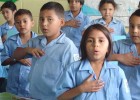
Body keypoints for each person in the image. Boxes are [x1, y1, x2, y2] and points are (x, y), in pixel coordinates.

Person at [12, 2, 79, 100]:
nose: (44, 23)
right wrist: (28, 50)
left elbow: (74, 81)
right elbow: (15, 55)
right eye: (41, 19)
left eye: (49, 19)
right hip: (33, 95)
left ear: (61, 22)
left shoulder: (68, 47)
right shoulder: (36, 41)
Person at [56, 24, 132, 100]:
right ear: (84, 46)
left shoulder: (117, 72)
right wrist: (81, 89)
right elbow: (60, 97)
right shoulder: (72, 69)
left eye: (101, 41)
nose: (96, 45)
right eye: (90, 41)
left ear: (108, 48)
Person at [1, 9, 38, 97]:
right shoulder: (10, 41)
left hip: (30, 88)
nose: (21, 24)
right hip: (13, 87)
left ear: (32, 23)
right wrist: (16, 59)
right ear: (15, 25)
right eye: (18, 22)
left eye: (25, 21)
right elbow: (3, 61)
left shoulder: (39, 42)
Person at [108, 9, 140, 100]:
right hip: (120, 95)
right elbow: (98, 56)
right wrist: (118, 57)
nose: (135, 31)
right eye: (131, 26)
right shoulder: (120, 44)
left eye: (139, 27)